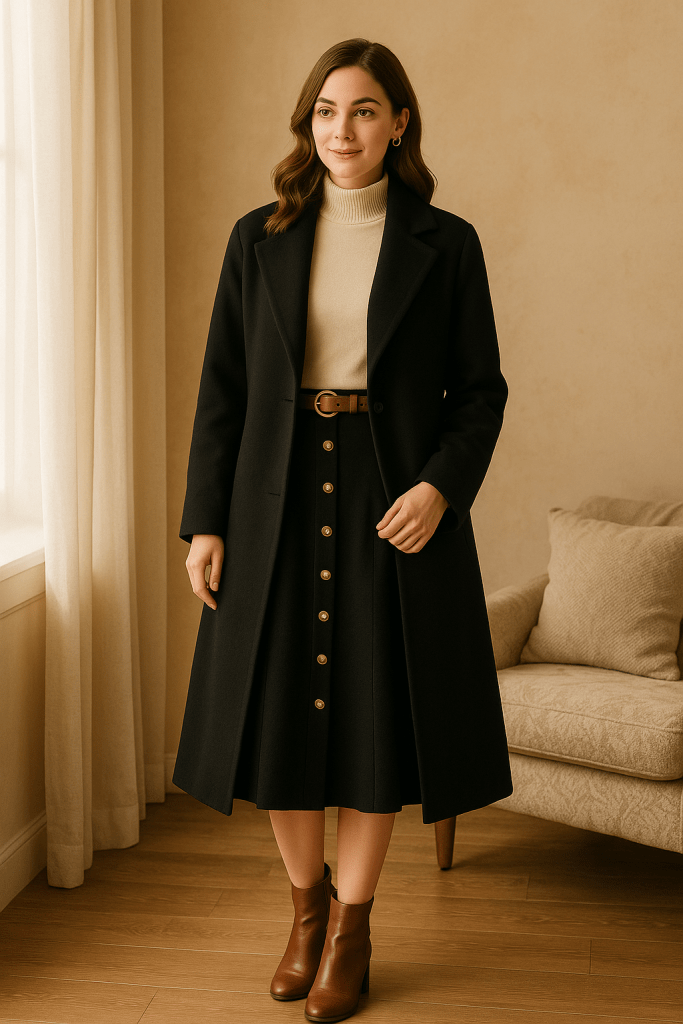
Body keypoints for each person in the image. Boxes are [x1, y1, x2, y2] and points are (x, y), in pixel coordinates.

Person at [174, 37, 513, 1023]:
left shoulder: (446, 244)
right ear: (305, 123)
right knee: (279, 718)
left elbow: (478, 393)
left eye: (363, 110)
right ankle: (304, 911)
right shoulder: (257, 237)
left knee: (372, 722)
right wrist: (205, 521)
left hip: (388, 495)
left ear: (398, 123)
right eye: (326, 110)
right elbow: (222, 390)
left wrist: (439, 488)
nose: (341, 129)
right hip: (269, 496)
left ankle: (353, 926)